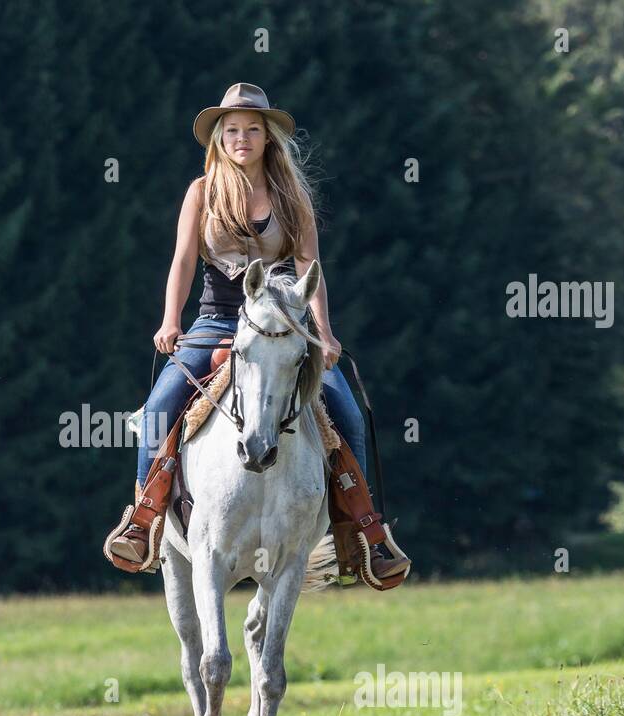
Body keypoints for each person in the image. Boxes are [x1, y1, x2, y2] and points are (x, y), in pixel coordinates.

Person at [105, 82, 409, 584]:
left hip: (285, 323)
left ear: (268, 138)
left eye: (251, 130)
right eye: (231, 131)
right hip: (217, 320)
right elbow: (182, 261)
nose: (241, 138)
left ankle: (364, 535)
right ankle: (143, 521)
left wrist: (325, 334)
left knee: (348, 414)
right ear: (218, 140)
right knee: (160, 409)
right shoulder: (201, 193)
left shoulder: (293, 197)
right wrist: (170, 321)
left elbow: (311, 266)